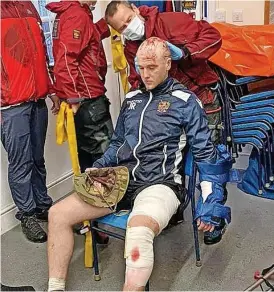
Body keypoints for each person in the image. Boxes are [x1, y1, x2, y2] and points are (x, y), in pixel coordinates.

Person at [46, 37, 232, 292]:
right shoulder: (132, 98)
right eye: (140, 67)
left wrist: (211, 202)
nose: (145, 74)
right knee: (57, 215)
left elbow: (206, 156)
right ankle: (54, 288)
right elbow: (117, 143)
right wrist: (99, 166)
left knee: (138, 232)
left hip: (160, 184)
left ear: (168, 64)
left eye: (152, 67)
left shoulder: (185, 101)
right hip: (120, 180)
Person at [105, 0, 223, 143]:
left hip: (200, 96)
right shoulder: (131, 50)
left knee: (207, 152)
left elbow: (213, 37)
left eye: (129, 20)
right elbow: (137, 81)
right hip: (168, 107)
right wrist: (141, 82)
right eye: (123, 28)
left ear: (135, 9)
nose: (129, 27)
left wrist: (185, 52)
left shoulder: (171, 21)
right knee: (176, 156)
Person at [1, 1, 60, 243]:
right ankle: (26, 214)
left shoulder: (29, 6)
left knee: (37, 158)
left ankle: (42, 205)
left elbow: (43, 51)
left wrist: (52, 88)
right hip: (10, 105)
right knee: (21, 163)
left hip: (38, 98)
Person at [46, 0, 114, 172]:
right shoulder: (77, 15)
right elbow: (66, 60)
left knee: (86, 153)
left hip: (82, 97)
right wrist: (74, 96)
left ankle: (91, 196)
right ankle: (106, 197)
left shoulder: (68, 13)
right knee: (105, 157)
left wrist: (106, 24)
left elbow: (84, 40)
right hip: (88, 99)